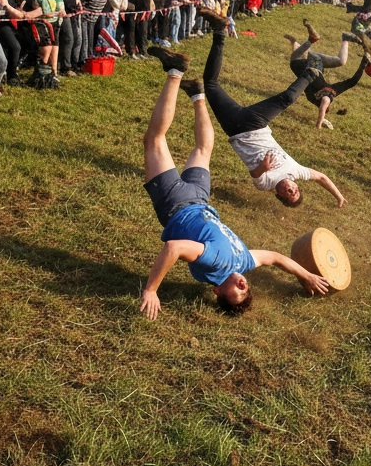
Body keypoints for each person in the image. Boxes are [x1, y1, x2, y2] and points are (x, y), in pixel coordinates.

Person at [139, 47, 331, 320]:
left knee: (193, 148)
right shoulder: (234, 262)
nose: (244, 285)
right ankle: (177, 73)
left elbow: (176, 248)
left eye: (238, 292)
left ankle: (194, 90)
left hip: (190, 201)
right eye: (247, 289)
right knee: (165, 143)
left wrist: (151, 290)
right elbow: (275, 258)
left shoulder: (227, 262)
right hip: (185, 202)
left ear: (217, 292)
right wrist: (306, 275)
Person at [179, 11, 346, 208]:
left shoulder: (266, 184)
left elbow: (255, 175)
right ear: (296, 186)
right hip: (256, 123)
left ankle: (219, 30)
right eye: (295, 191)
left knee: (211, 83)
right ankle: (310, 73)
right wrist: (339, 196)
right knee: (285, 99)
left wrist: (262, 167)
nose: (291, 189)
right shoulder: (298, 171)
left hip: (234, 127)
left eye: (288, 194)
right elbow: (321, 178)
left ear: (279, 195)